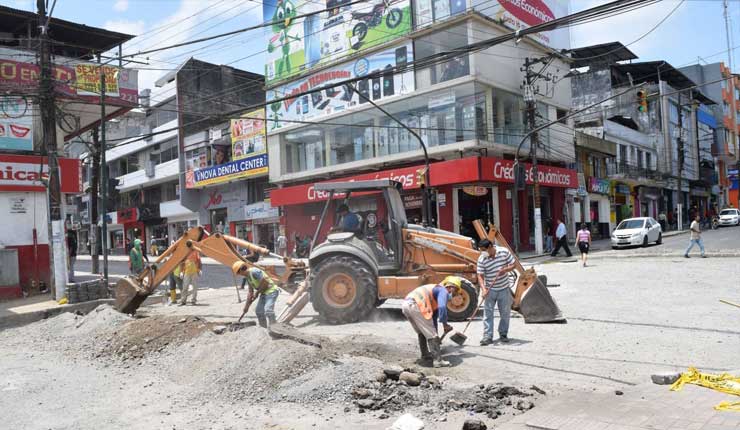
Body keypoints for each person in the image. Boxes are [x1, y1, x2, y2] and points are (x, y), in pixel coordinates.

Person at [401, 276, 462, 367]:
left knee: (422, 332)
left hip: (406, 305)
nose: (452, 295)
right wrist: (445, 325)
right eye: (455, 292)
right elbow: (442, 307)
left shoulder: (434, 294)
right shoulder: (443, 290)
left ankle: (425, 356)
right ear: (451, 287)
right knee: (431, 334)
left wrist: (436, 334)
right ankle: (438, 361)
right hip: (416, 305)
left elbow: (433, 322)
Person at [476, 239, 517, 346]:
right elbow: (480, 275)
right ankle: (487, 336)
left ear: (490, 246)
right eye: (481, 250)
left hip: (504, 288)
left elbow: (514, 264)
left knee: (505, 313)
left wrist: (505, 270)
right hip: (490, 290)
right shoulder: (482, 259)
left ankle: (503, 334)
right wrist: (483, 289)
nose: (482, 252)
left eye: (484, 250)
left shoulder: (504, 252)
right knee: (488, 314)